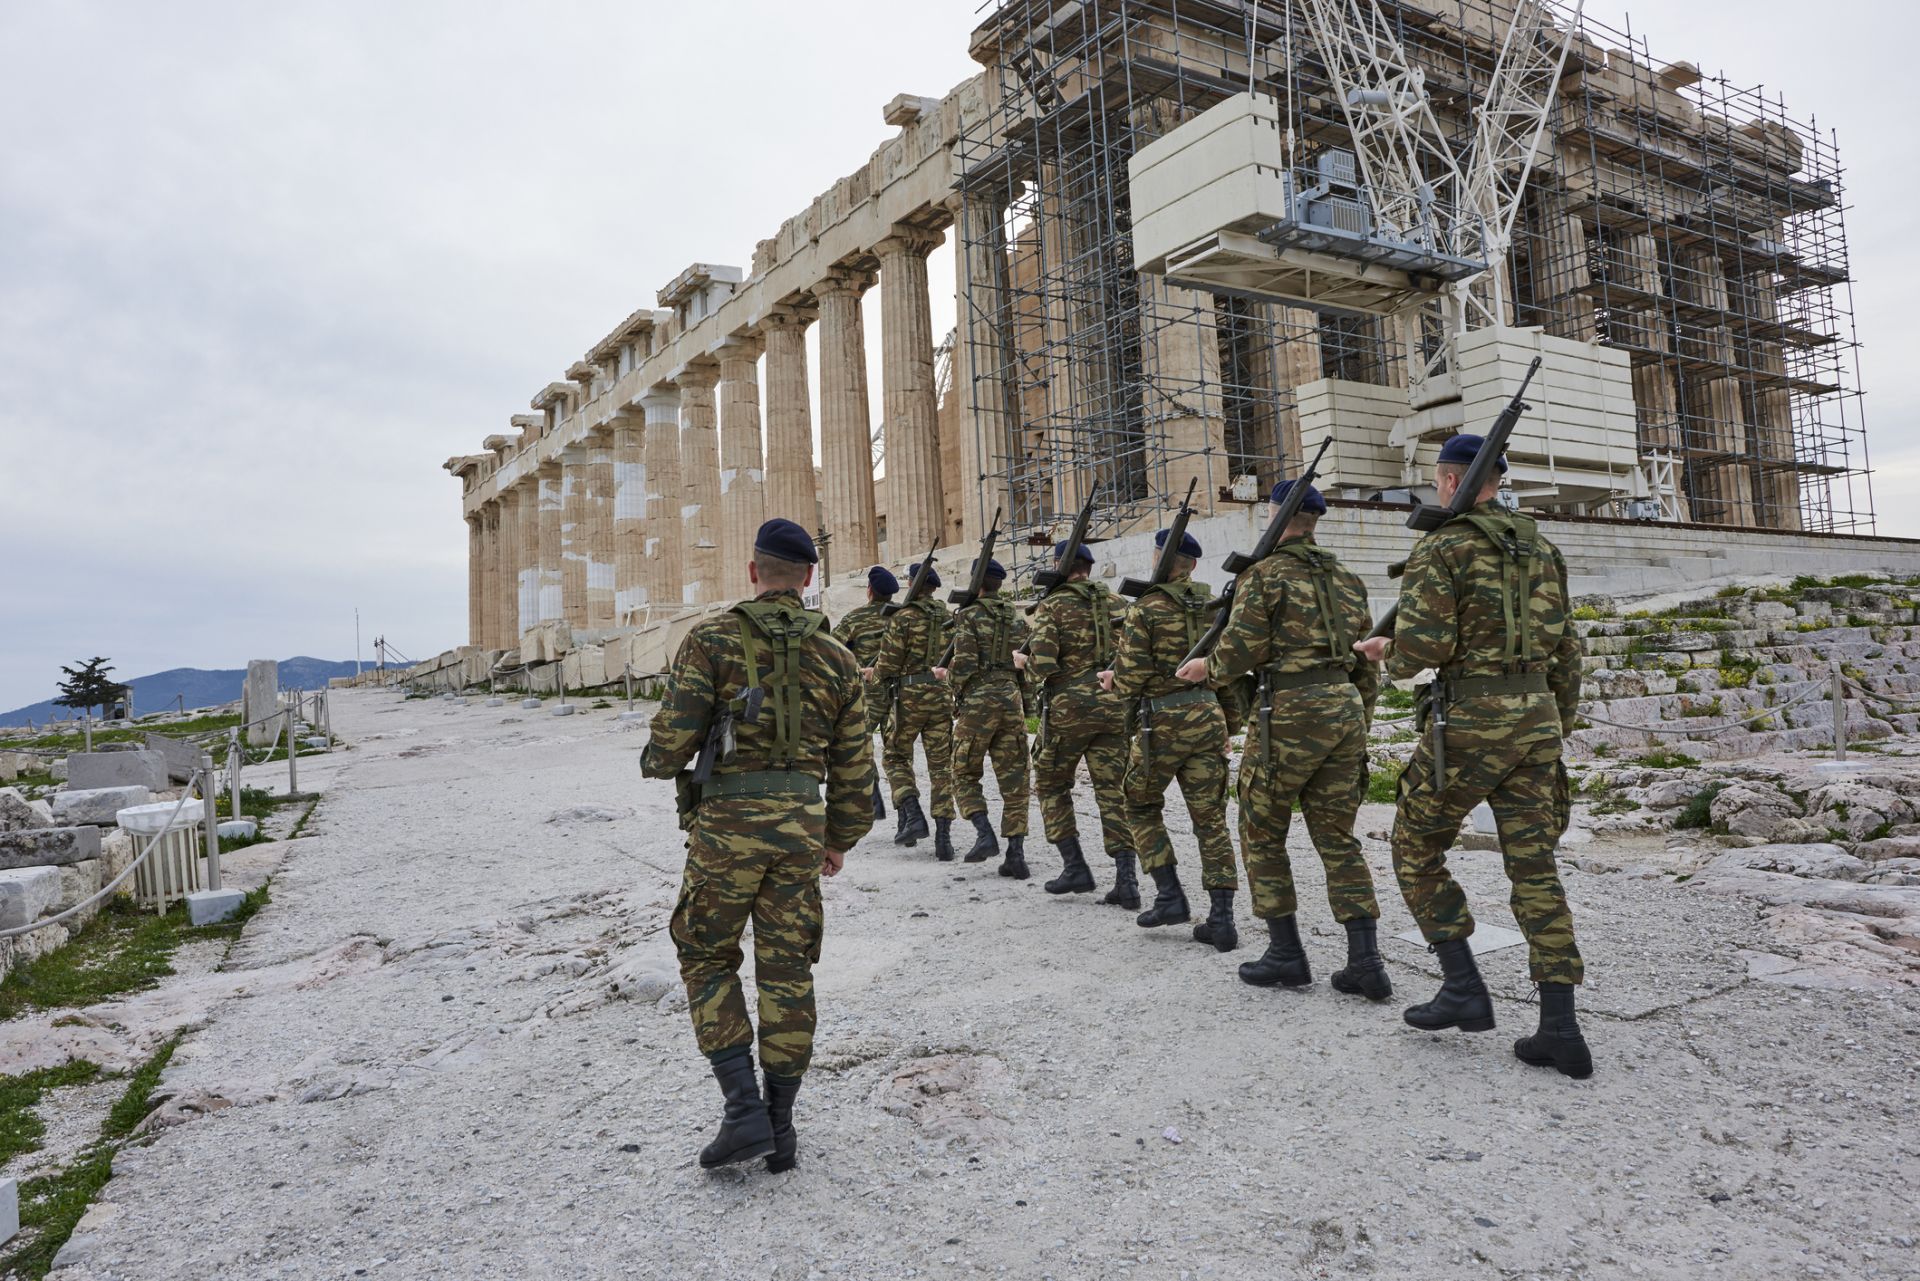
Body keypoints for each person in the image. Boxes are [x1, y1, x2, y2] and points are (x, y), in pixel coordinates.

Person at [1351, 434, 1591, 1078]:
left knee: (1414, 845)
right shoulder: (1542, 546)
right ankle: (1560, 1028)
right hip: (1536, 723)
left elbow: (1425, 647)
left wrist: (1387, 656)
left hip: (1467, 726)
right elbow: (1568, 649)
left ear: (1452, 482)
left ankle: (1462, 984)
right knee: (1534, 868)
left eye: (1437, 479)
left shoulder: (1443, 545)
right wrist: (1554, 723)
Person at [639, 518, 874, 1170]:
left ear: (752, 572)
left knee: (706, 953)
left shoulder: (711, 639)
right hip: (801, 830)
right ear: (806, 578)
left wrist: (660, 753)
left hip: (726, 829)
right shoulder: (839, 657)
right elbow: (858, 771)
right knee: (788, 969)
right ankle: (782, 1125)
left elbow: (666, 751)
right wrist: (837, 838)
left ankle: (744, 1109)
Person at [1177, 479, 1389, 996]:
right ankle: (1366, 961)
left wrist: (1209, 667)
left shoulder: (1264, 575)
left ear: (1275, 514)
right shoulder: (1347, 578)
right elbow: (1364, 659)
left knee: (1262, 828)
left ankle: (1285, 953)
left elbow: (1242, 647)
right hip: (1344, 709)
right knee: (1338, 837)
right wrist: (1357, 714)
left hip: (1289, 712)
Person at [1104, 527, 1239, 949]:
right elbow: (1231, 671)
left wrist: (1113, 680)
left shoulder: (1146, 608)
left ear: (1159, 560)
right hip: (1209, 717)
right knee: (1211, 819)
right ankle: (1222, 918)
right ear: (1194, 565)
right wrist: (1229, 725)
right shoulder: (1217, 605)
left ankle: (1169, 896)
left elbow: (1131, 679)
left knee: (1140, 804)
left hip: (1160, 726)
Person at [1021, 539, 1138, 907]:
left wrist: (1023, 665)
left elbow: (1042, 664)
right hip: (1115, 705)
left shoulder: (1052, 604)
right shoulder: (1118, 602)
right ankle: (1127, 880)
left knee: (1052, 783)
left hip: (1069, 711)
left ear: (1059, 565)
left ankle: (1075, 867)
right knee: (1113, 791)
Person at [934, 557, 1031, 877]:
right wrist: (1024, 705)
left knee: (962, 771)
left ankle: (984, 832)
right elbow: (1024, 670)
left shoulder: (969, 615)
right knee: (1015, 780)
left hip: (978, 704)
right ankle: (1015, 855)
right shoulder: (1017, 620)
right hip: (1011, 701)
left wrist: (944, 677)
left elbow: (962, 665)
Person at [869, 561, 957, 861]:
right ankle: (944, 839)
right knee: (941, 767)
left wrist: (874, 674)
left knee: (894, 756)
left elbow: (889, 663)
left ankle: (913, 813)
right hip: (941, 697)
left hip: (908, 698)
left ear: (912, 585)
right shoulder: (947, 617)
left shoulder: (903, 618)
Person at [835, 565, 899, 823]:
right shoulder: (903, 616)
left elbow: (833, 646)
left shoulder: (855, 618)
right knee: (898, 753)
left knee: (861, 746)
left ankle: (875, 800)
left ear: (870, 591)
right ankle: (908, 812)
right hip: (899, 690)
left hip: (868, 691)